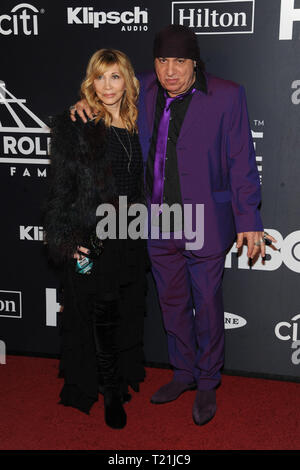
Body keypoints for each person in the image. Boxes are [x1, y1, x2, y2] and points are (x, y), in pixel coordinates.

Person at [70, 25, 275, 426]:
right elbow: (105, 90)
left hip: (205, 222)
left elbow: (242, 162)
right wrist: (86, 102)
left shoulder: (228, 95)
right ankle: (182, 373)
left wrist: (248, 219)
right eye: (163, 61)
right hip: (157, 220)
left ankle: (207, 381)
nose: (170, 71)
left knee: (208, 305)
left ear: (194, 62)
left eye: (180, 61)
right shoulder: (142, 88)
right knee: (172, 303)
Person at [44, 48, 148, 429]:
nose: (107, 85)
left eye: (115, 76)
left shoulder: (139, 119)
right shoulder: (79, 125)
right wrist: (67, 237)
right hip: (95, 234)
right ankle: (110, 392)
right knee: (101, 314)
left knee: (126, 311)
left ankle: (121, 375)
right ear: (91, 81)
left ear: (128, 81)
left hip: (131, 233)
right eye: (100, 77)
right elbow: (60, 189)